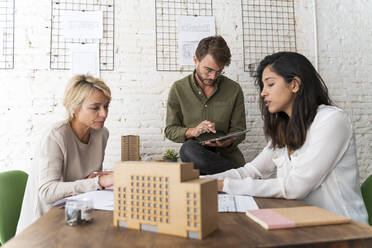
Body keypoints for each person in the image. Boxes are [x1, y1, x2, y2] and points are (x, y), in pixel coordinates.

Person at [208, 51, 368, 224]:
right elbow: (252, 171)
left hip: (345, 230)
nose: (263, 93)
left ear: (294, 84)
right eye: (262, 86)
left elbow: (296, 187)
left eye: (270, 84)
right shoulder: (284, 128)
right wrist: (201, 181)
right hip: (302, 223)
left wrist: (224, 186)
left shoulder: (332, 120)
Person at [17, 75, 114, 233]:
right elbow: (47, 192)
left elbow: (88, 182)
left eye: (106, 106)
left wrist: (98, 179)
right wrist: (99, 181)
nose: (104, 114)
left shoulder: (101, 134)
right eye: (95, 107)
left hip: (76, 218)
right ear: (74, 108)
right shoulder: (55, 136)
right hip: (43, 226)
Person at [165, 35, 246, 175]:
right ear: (196, 60)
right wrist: (193, 131)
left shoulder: (234, 89)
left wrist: (226, 142)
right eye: (208, 70)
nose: (213, 76)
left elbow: (239, 130)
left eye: (219, 71)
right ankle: (236, 175)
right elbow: (170, 130)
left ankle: (231, 175)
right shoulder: (179, 89)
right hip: (196, 157)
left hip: (225, 155)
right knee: (188, 148)